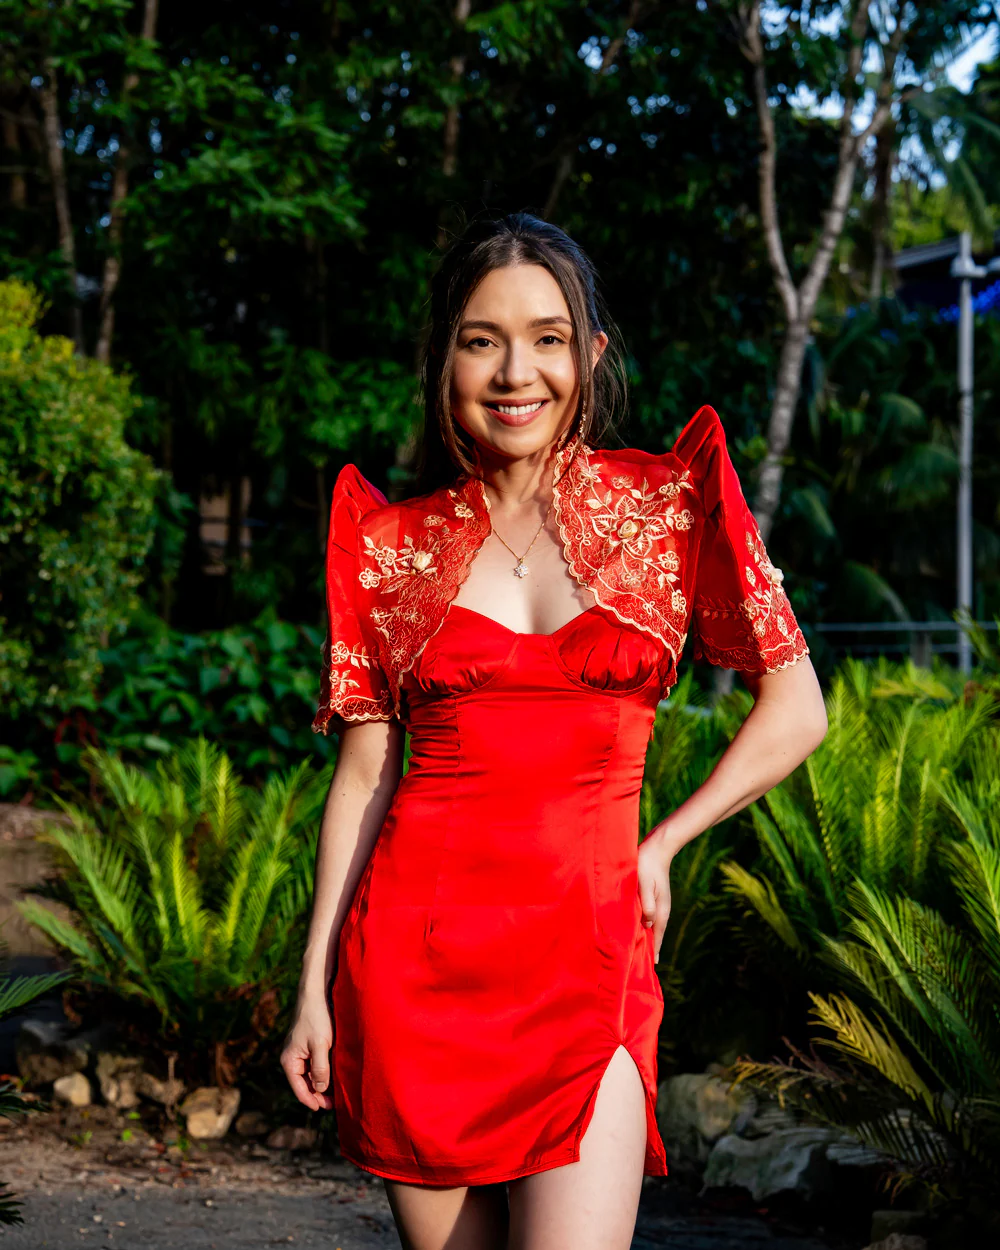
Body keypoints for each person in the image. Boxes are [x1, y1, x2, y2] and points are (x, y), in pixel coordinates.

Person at [281, 212, 828, 1250]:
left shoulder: (669, 510)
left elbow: (795, 707)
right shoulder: (386, 547)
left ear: (591, 355)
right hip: (412, 974)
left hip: (588, 962)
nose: (513, 371)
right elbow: (360, 781)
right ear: (443, 356)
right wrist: (312, 988)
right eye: (481, 339)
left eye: (545, 336)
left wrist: (663, 843)